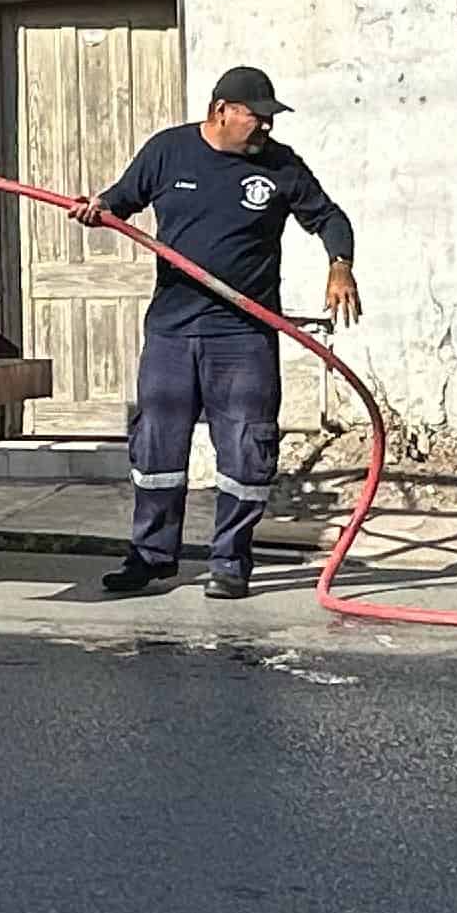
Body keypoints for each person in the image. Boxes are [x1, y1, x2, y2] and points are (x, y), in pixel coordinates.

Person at [77, 64, 360, 600]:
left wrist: (339, 263)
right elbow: (121, 198)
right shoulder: (169, 152)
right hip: (172, 331)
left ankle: (231, 560)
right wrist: (100, 209)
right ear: (221, 111)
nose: (265, 130)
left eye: (269, 121)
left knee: (246, 451)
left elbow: (329, 217)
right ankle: (152, 556)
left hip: (244, 333)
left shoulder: (281, 167)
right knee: (156, 447)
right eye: (256, 117)